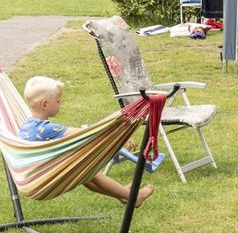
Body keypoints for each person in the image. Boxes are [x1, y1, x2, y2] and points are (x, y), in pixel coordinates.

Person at [19, 76, 155, 207]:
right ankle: (133, 197)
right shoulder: (47, 129)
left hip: (33, 177)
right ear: (45, 104)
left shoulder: (27, 125)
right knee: (87, 171)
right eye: (58, 101)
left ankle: (122, 195)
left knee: (84, 173)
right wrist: (119, 131)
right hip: (45, 180)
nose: (60, 104)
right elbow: (88, 133)